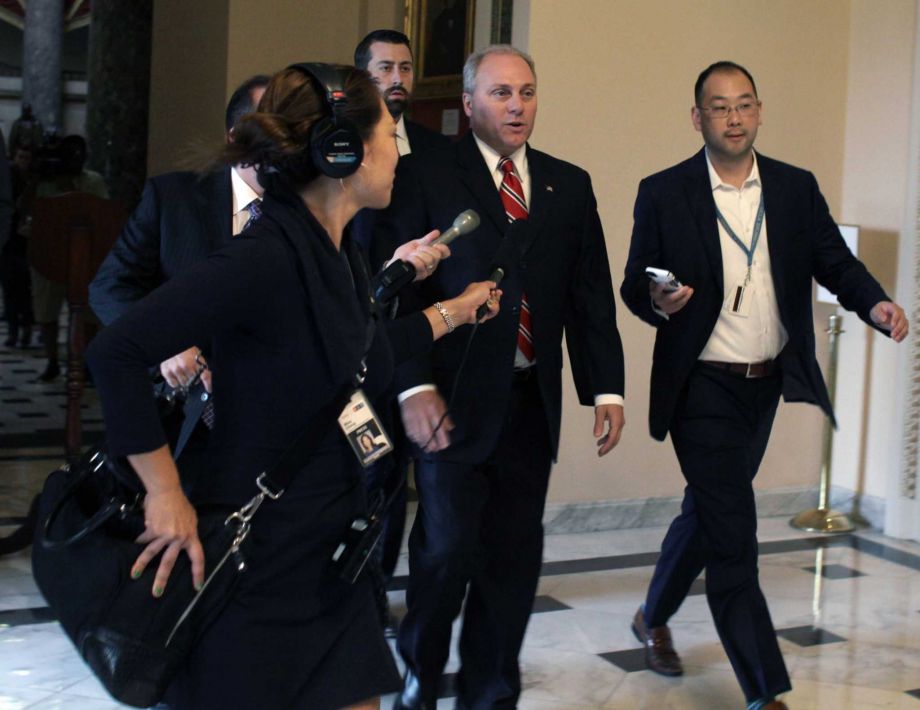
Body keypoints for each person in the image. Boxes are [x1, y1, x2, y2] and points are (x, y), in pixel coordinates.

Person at [85, 62, 500, 710]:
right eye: (389, 135)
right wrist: (164, 493)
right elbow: (116, 352)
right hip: (257, 568)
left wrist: (454, 311)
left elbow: (358, 361)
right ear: (345, 153)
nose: (398, 150)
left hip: (325, 555)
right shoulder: (266, 255)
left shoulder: (335, 252)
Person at [620, 60, 908, 710]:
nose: (733, 117)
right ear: (698, 119)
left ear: (759, 111)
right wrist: (657, 299)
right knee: (735, 536)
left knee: (710, 511)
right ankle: (764, 691)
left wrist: (875, 304)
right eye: (719, 107)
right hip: (699, 388)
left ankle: (651, 615)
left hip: (764, 384)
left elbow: (834, 260)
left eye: (744, 104)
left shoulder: (793, 188)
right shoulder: (665, 191)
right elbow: (635, 279)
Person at [377, 45, 626, 708]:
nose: (517, 106)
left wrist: (605, 387)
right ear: (467, 103)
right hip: (450, 402)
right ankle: (419, 678)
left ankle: (491, 692)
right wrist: (411, 384)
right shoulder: (424, 174)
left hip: (529, 404)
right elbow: (395, 293)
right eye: (500, 93)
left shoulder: (566, 184)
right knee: (447, 551)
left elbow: (589, 293)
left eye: (527, 92)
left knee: (512, 564)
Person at [90, 75, 270, 476]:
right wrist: (164, 342)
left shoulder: (307, 210)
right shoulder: (174, 199)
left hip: (271, 420)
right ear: (236, 136)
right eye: (271, 127)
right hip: (184, 418)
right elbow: (109, 288)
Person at [353, 28, 451, 614]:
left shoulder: (438, 155)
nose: (397, 79)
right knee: (367, 481)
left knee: (402, 489)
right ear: (362, 77)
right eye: (384, 68)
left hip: (418, 349)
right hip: (353, 358)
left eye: (406, 68)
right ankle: (355, 600)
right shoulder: (341, 152)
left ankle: (383, 599)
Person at [27, 135, 108, 382]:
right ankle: (52, 359)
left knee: (88, 314)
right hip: (49, 253)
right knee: (46, 310)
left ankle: (86, 363)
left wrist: (72, 190)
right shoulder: (46, 182)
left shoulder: (92, 180)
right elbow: (33, 211)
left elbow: (101, 212)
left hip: (84, 256)